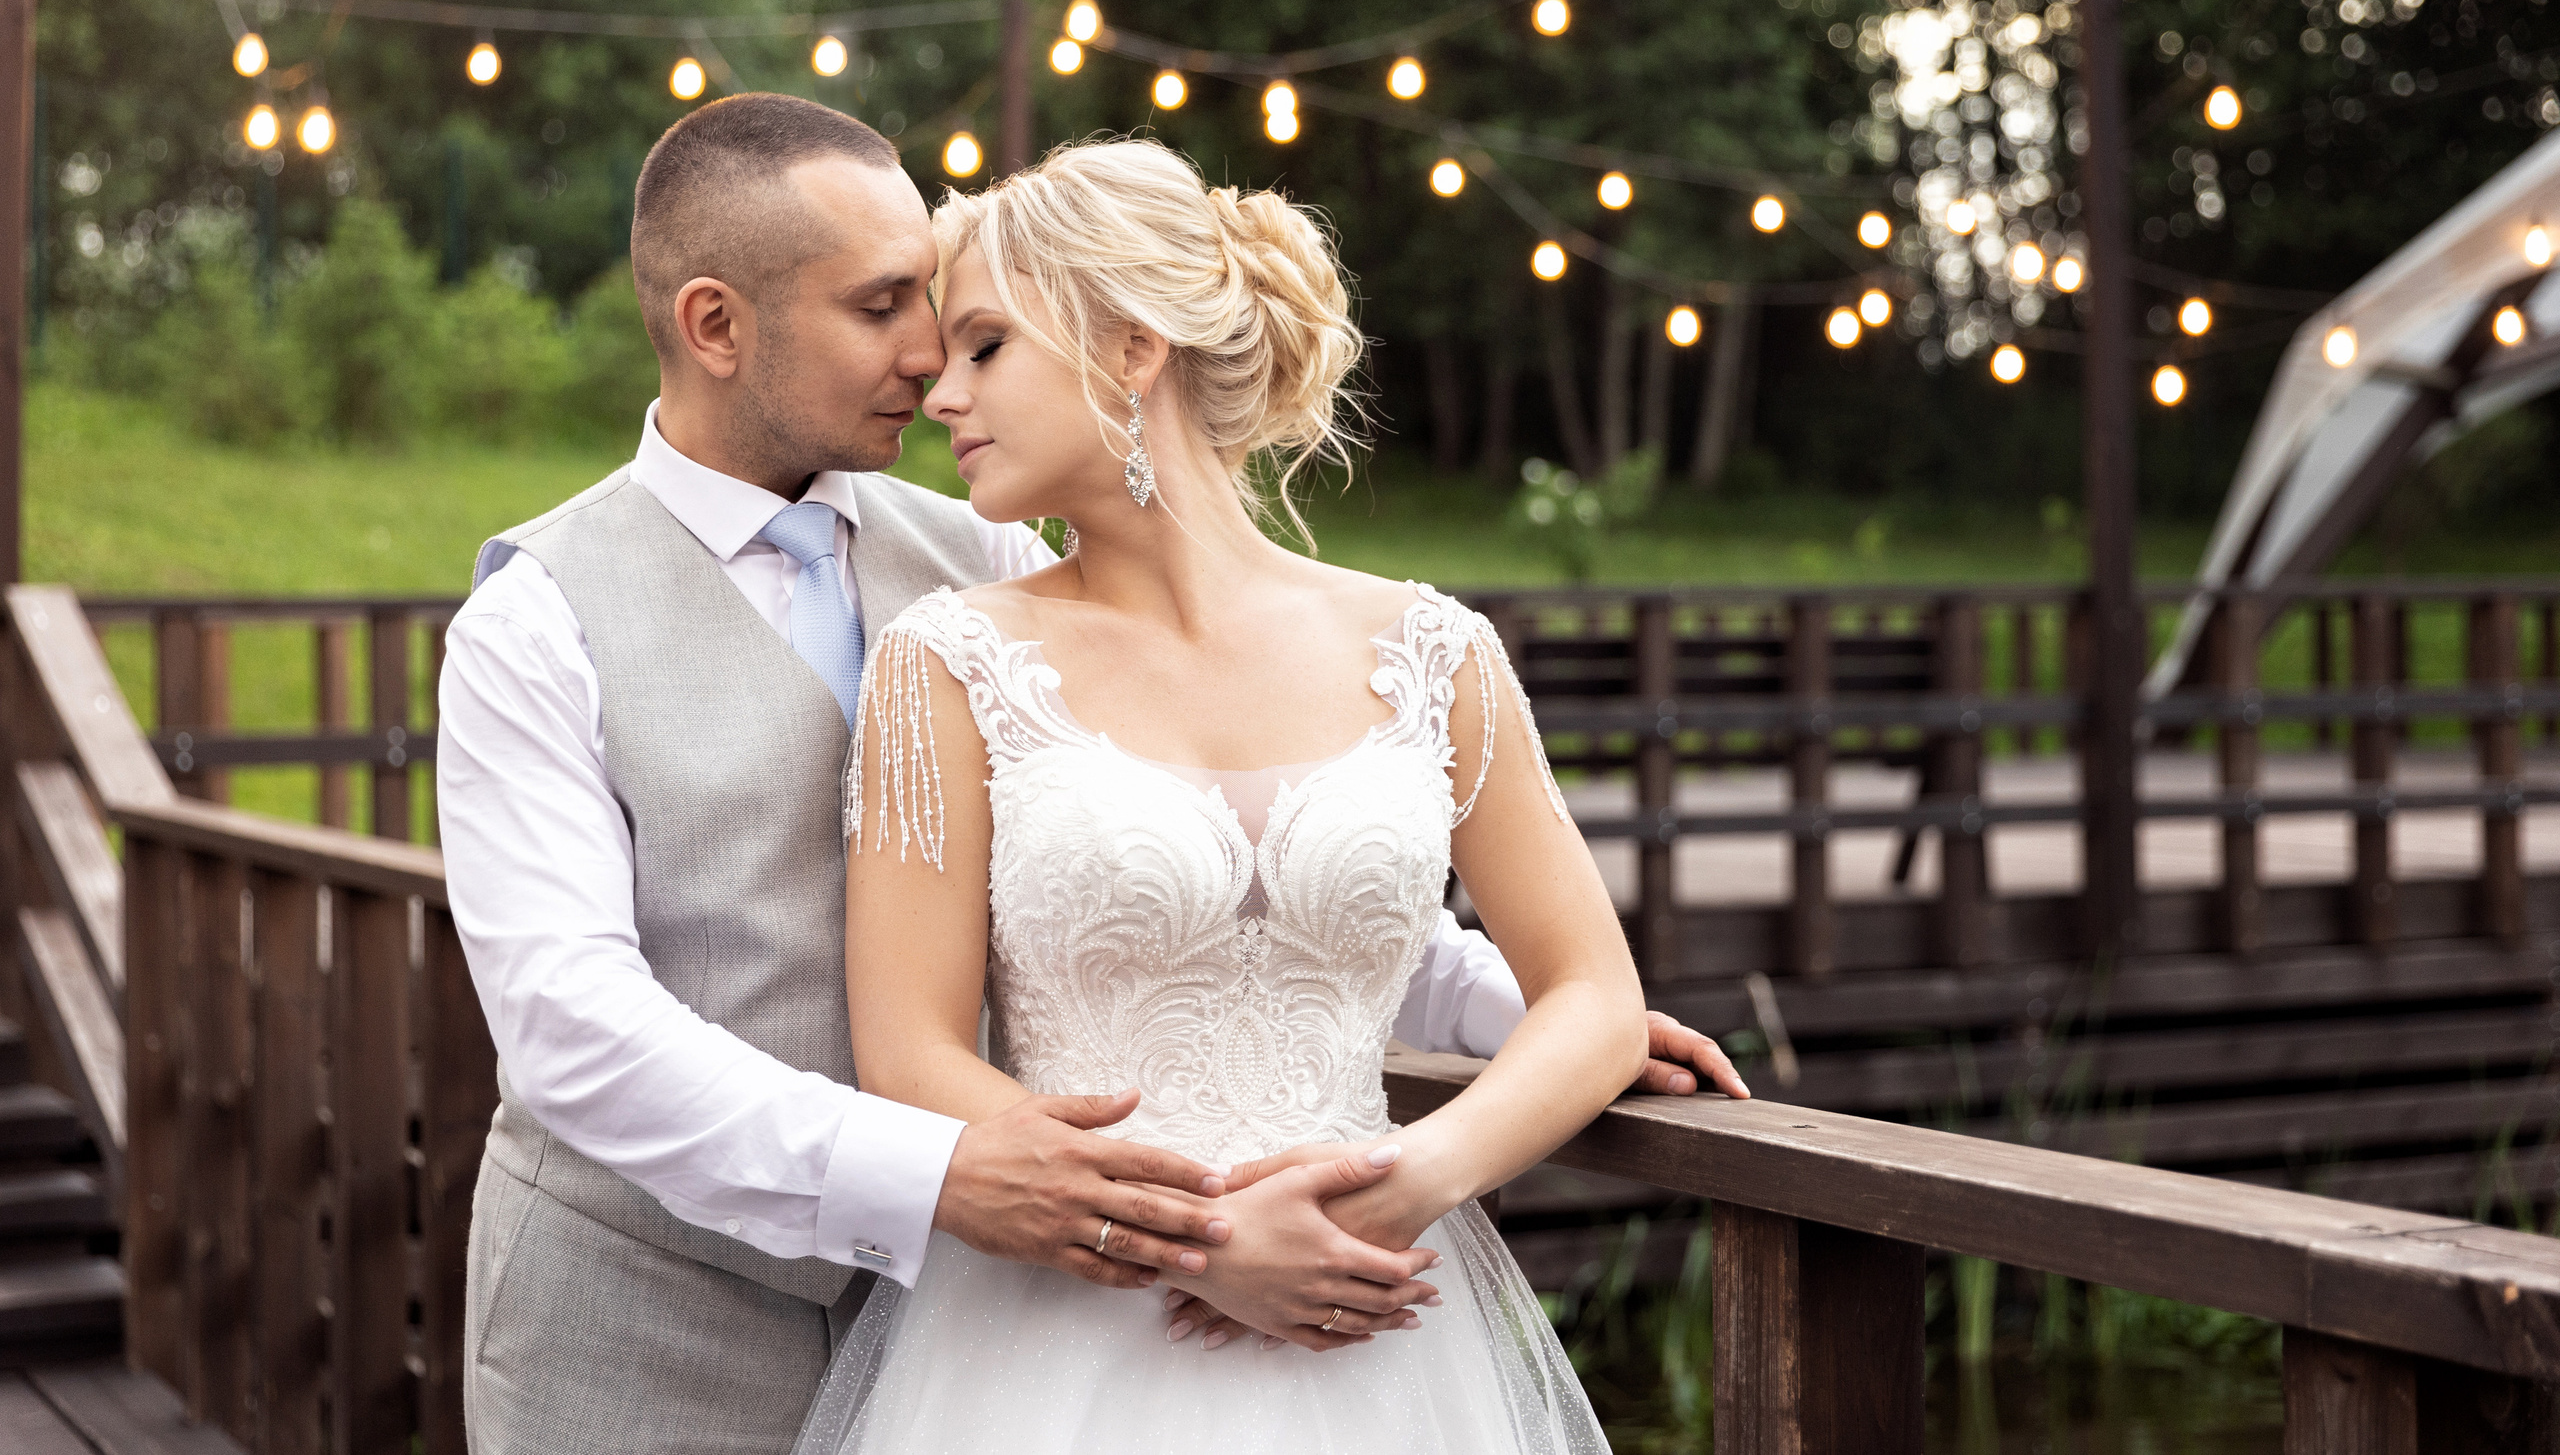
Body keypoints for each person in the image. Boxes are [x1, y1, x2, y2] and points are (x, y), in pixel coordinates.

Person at [439, 96, 1743, 1454]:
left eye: (959, 324)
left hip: (1026, 1306)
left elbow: (1186, 853)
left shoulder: (991, 553)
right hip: (662, 1317)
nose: (930, 360)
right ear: (716, 326)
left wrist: (1529, 1011)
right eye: (884, 308)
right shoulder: (538, 620)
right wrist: (974, 1181)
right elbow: (571, 1026)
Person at [797, 136, 1694, 1454]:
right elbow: (911, 1056)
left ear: (1131, 347)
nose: (942, 392)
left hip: (1378, 1324)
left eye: (985, 345)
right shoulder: (946, 662)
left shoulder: (1435, 651)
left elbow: (1596, 998)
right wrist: (1203, 1241)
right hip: (1062, 1345)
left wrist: (1404, 1183)